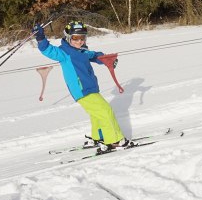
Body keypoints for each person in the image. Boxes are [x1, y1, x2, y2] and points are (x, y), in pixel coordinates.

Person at [33, 20, 133, 152]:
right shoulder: (64, 53)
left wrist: (106, 59)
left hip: (91, 88)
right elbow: (48, 50)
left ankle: (98, 137)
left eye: (82, 38)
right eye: (75, 38)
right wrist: (40, 38)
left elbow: (94, 55)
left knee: (97, 114)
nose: (79, 41)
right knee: (105, 111)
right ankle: (114, 141)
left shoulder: (82, 51)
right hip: (81, 90)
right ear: (68, 37)